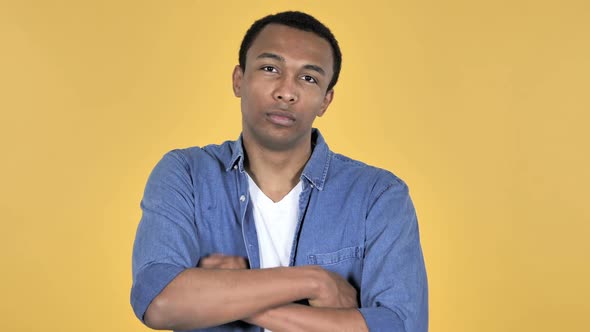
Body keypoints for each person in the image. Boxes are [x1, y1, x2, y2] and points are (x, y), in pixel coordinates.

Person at [131, 11, 428, 332]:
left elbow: (398, 325)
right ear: (238, 80)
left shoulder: (378, 195)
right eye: (270, 68)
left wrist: (227, 292)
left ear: (325, 101)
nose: (286, 92)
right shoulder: (186, 174)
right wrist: (314, 281)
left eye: (309, 78)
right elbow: (158, 301)